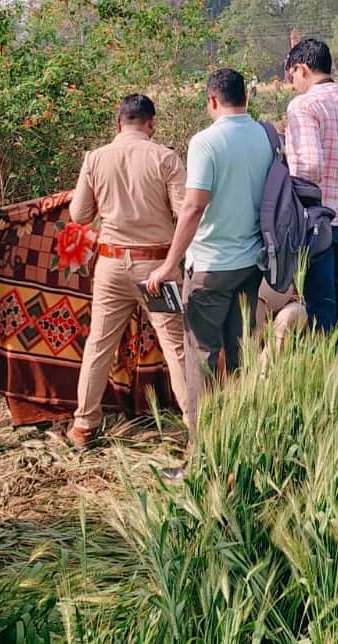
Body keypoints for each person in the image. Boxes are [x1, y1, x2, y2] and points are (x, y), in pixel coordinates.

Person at [66, 94, 192, 448]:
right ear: (151, 123)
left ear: (118, 122)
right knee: (175, 346)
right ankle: (194, 422)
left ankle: (83, 425)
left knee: (99, 344)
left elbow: (78, 216)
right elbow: (185, 212)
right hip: (156, 268)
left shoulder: (95, 159)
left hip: (110, 266)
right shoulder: (165, 157)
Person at [147, 69, 272, 404]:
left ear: (212, 100)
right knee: (239, 353)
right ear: (245, 97)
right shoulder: (267, 136)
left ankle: (204, 444)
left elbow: (193, 206)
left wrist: (169, 264)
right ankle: (238, 432)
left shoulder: (206, 142)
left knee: (201, 354)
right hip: (251, 262)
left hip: (211, 267)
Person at [283, 38, 338, 358]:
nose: (291, 83)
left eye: (290, 75)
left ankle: (326, 379)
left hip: (319, 221)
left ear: (302, 68)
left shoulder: (304, 106)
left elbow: (309, 164)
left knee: (321, 307)